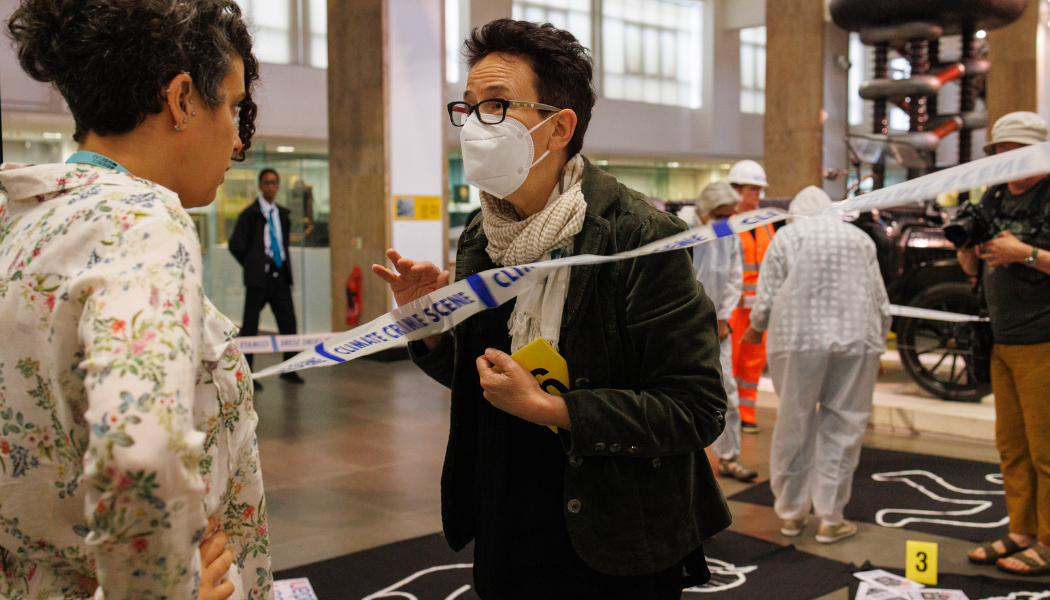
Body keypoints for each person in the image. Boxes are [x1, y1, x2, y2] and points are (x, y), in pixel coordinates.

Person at [373, 19, 730, 599]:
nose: (474, 125)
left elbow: (696, 408)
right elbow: (486, 380)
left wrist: (552, 409)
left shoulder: (637, 236)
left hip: (613, 534)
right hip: (506, 520)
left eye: (496, 105)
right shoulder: (484, 233)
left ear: (559, 126)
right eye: (467, 107)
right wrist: (430, 327)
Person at [1, 1, 272, 599]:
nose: (235, 138)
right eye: (231, 106)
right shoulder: (141, 222)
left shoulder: (22, 219)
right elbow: (143, 453)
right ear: (182, 99)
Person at [742, 186, 890, 544]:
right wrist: (880, 346)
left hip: (797, 342)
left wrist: (756, 327)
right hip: (856, 340)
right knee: (844, 425)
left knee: (794, 423)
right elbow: (879, 299)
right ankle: (830, 518)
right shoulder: (860, 240)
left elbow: (767, 296)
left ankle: (791, 515)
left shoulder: (786, 237)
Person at [958, 111, 1050, 576]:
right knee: (1012, 446)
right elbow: (973, 270)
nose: (1007, 158)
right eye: (1000, 150)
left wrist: (1026, 253)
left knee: (1046, 450)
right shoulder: (993, 196)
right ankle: (1023, 530)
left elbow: (1022, 255)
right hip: (1003, 338)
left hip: (1044, 340)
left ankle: (1049, 542)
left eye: (1016, 150)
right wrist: (966, 248)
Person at [681, 183, 757, 482]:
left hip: (716, 326)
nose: (726, 220)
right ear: (704, 211)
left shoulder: (726, 229)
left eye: (729, 215)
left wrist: (723, 317)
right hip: (682, 326)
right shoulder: (681, 227)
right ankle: (681, 460)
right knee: (679, 394)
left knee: (728, 392)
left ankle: (729, 457)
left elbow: (735, 275)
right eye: (721, 215)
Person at [229, 169, 305, 387]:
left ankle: (290, 369)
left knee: (288, 323)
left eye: (273, 183)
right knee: (250, 327)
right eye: (266, 183)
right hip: (258, 278)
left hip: (280, 275)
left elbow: (282, 242)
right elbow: (236, 245)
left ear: (278, 186)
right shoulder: (249, 214)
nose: (270, 186)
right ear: (260, 186)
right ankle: (248, 375)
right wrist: (252, 264)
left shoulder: (282, 214)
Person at [727, 159, 772, 433]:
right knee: (728, 361)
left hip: (758, 309)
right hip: (733, 307)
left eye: (759, 189)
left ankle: (747, 414)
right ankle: (726, 416)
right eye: (752, 189)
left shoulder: (765, 222)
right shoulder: (724, 223)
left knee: (753, 363)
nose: (758, 194)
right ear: (736, 190)